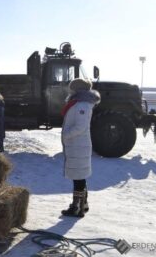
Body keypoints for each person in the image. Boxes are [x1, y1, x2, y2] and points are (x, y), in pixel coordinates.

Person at [61, 78, 100, 218]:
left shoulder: (82, 104)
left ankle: (76, 208)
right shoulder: (80, 103)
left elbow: (80, 127)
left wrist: (66, 135)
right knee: (80, 177)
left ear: (78, 90)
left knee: (78, 178)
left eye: (72, 88)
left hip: (78, 145)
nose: (70, 90)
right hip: (77, 145)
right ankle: (83, 204)